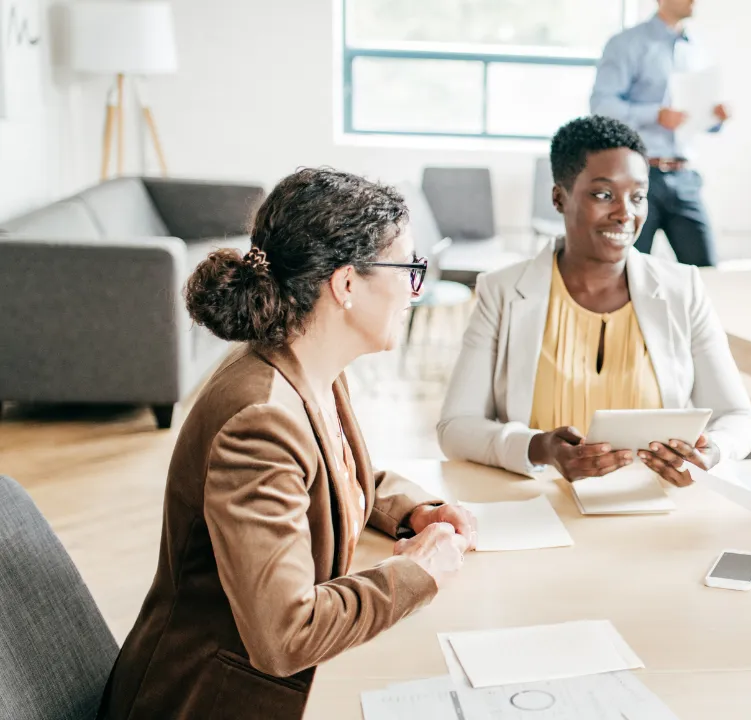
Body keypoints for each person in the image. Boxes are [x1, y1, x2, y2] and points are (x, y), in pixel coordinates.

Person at [98, 168, 478, 719]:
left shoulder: (310, 365)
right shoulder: (259, 422)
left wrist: (415, 510)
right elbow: (284, 634)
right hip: (210, 700)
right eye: (408, 268)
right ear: (346, 284)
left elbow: (335, 475)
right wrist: (419, 574)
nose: (414, 288)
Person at [438, 115, 751, 486]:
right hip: (540, 506)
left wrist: (711, 451)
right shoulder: (502, 291)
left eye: (638, 196)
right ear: (559, 198)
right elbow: (455, 428)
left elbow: (738, 417)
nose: (625, 214)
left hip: (653, 506)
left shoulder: (681, 288)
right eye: (603, 195)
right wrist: (539, 448)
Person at [590, 0, 728, 268]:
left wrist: (716, 117)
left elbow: (694, 116)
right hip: (638, 177)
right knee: (628, 271)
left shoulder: (696, 50)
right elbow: (601, 106)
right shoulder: (626, 44)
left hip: (684, 177)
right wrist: (655, 114)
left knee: (706, 270)